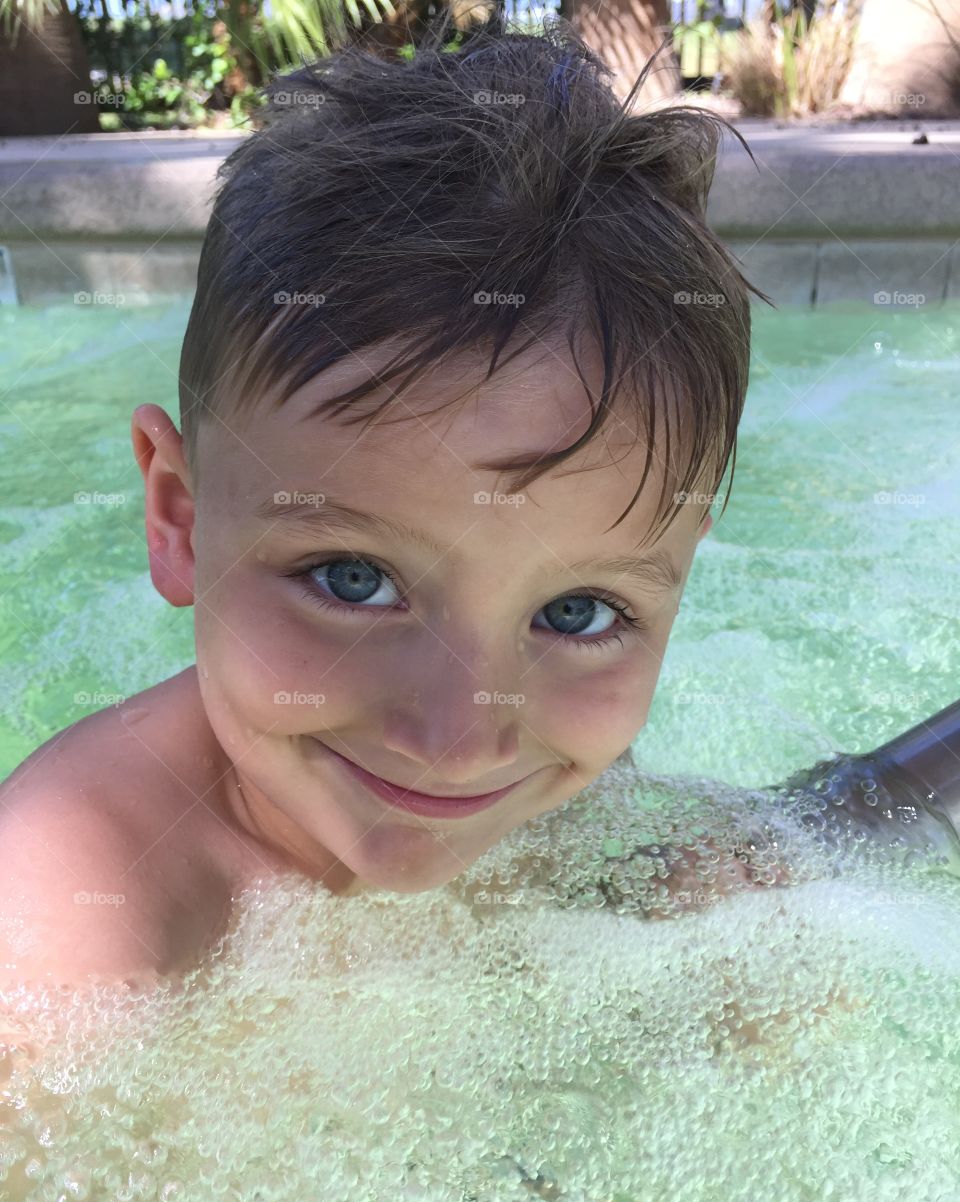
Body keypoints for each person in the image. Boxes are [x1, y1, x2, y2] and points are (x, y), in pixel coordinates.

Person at [0, 16, 771, 989]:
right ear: (181, 518)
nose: (456, 741)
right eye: (352, 579)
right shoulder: (71, 909)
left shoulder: (554, 770)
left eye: (576, 612)